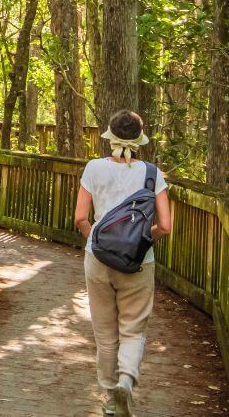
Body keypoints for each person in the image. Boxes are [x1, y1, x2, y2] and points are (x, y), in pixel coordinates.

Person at [74, 110, 173, 417]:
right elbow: (165, 226)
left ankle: (108, 399)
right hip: (139, 263)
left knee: (105, 334)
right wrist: (143, 239)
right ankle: (126, 382)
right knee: (133, 329)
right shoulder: (152, 174)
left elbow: (80, 218)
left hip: (99, 262)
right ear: (139, 140)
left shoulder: (94, 168)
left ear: (109, 135)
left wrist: (98, 242)